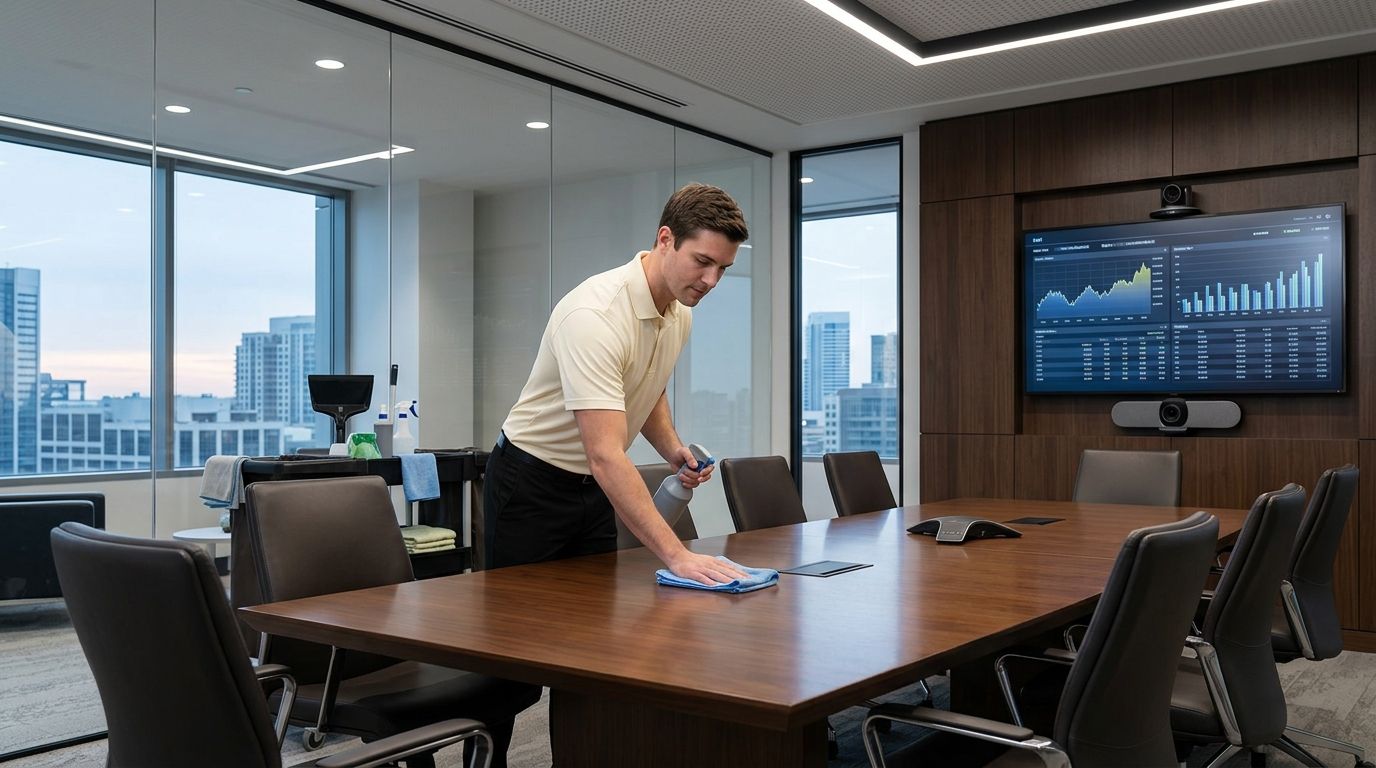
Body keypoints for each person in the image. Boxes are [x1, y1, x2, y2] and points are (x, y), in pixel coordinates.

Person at [483, 182, 750, 586]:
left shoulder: (679, 313)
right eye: (702, 261)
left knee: (595, 624)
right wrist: (678, 555)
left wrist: (670, 448)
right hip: (531, 482)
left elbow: (647, 384)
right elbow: (606, 455)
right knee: (523, 628)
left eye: (723, 269)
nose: (711, 280)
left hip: (593, 487)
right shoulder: (595, 315)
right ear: (666, 239)